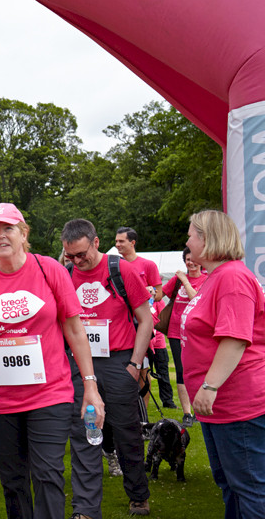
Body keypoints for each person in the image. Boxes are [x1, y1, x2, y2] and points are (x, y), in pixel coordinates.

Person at [0, 203, 104, 519]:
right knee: (13, 479)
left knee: (48, 472)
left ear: (23, 233)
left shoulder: (50, 269)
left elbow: (75, 329)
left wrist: (90, 385)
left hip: (50, 393)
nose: (0, 235)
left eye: (8, 228)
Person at [61, 219, 152, 518]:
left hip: (117, 361)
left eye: (81, 254)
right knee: (84, 432)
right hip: (79, 364)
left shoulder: (121, 270)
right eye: (70, 256)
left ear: (96, 242)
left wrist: (134, 364)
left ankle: (138, 494)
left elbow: (146, 319)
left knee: (127, 433)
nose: (76, 261)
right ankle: (86, 508)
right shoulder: (65, 274)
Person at [181, 210, 265, 518]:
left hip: (237, 403)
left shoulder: (232, 277)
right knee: (231, 484)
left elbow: (235, 339)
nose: (187, 242)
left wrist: (209, 385)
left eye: (191, 235)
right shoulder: (216, 277)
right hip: (221, 407)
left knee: (249, 487)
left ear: (207, 239)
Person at [115, 227, 174, 409]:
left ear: (132, 243)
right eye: (116, 241)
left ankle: (143, 413)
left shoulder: (148, 265)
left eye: (121, 241)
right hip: (121, 322)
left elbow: (159, 294)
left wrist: (149, 292)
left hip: (142, 322)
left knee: (142, 368)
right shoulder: (114, 264)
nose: (117, 245)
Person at [159, 247, 206, 427]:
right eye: (187, 259)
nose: (190, 262)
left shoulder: (207, 280)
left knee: (199, 370)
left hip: (197, 333)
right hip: (176, 332)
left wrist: (185, 280)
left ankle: (199, 409)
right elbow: (158, 295)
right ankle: (187, 413)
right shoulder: (175, 280)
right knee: (181, 371)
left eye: (193, 259)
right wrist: (148, 290)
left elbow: (197, 300)